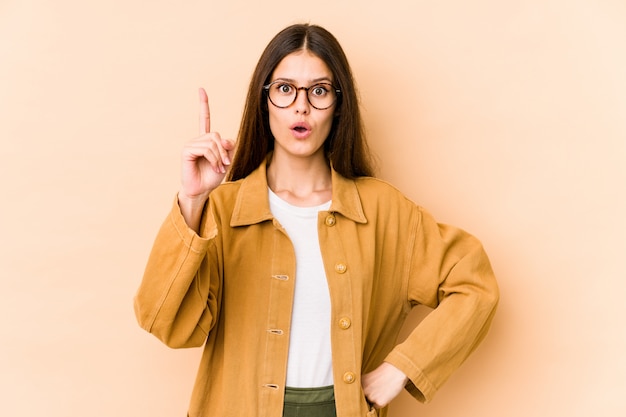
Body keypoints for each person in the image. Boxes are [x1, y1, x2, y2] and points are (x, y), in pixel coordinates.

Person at [134, 23, 499, 417]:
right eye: (285, 89)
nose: (301, 106)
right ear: (265, 101)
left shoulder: (383, 212)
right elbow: (164, 323)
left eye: (319, 91)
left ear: (339, 104)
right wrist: (193, 200)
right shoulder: (222, 211)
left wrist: (400, 369)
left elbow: (475, 285)